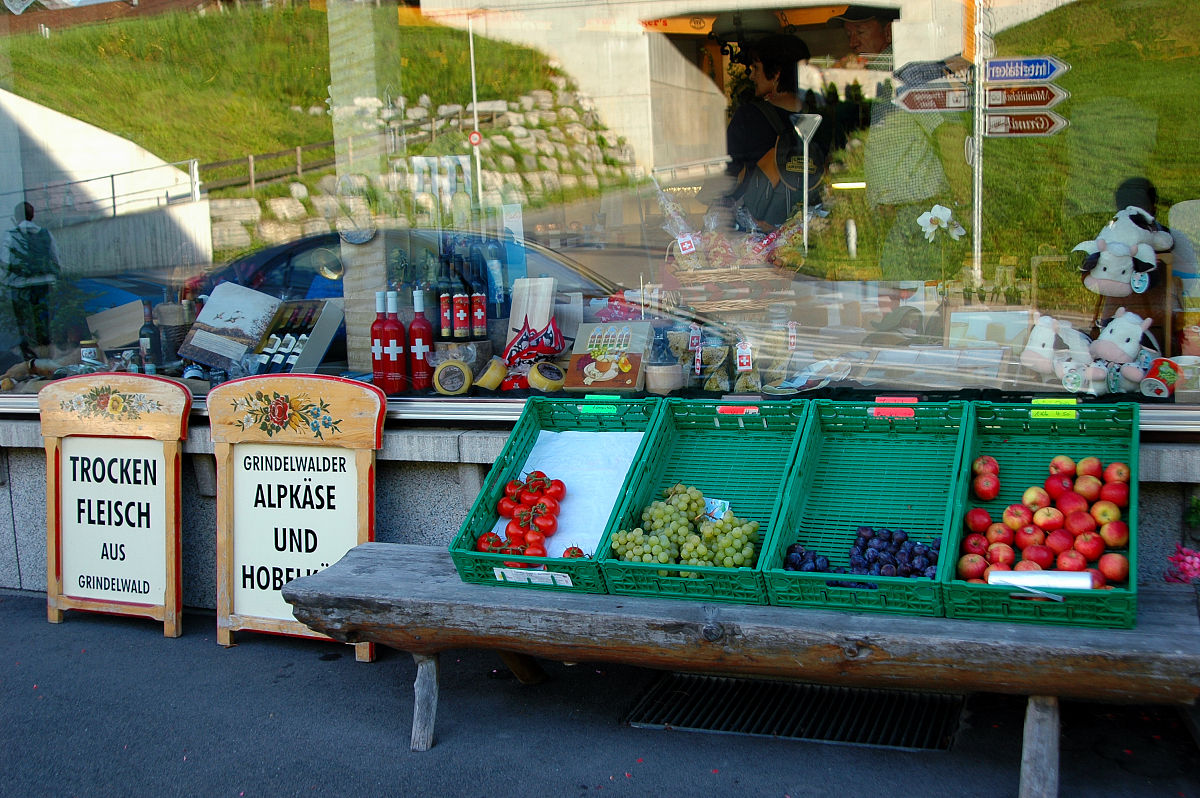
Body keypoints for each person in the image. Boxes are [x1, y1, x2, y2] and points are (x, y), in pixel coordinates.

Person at [834, 6, 969, 280]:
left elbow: (950, 135)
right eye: (849, 35)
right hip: (899, 219)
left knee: (910, 297)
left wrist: (966, 204)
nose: (853, 43)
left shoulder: (910, 73)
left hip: (918, 216)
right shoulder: (885, 78)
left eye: (860, 31)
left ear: (889, 31)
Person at [725, 33, 827, 231]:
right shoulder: (821, 120)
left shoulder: (749, 116)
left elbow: (727, 174)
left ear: (776, 73)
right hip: (806, 230)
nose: (751, 75)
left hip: (756, 231)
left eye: (756, 68)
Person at [1, 201, 61, 360]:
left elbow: (5, 263)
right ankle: (46, 356)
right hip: (44, 283)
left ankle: (30, 359)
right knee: (44, 322)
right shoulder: (46, 234)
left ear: (16, 217)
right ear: (32, 215)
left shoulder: (11, 234)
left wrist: (5, 282)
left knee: (24, 324)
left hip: (20, 286)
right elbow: (56, 259)